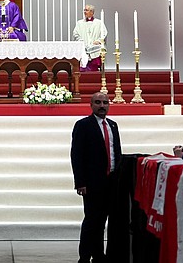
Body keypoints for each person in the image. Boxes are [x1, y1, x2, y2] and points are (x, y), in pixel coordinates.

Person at [71, 92, 121, 263]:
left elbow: (117, 153)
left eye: (105, 103)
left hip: (111, 181)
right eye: (98, 102)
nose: (102, 106)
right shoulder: (83, 125)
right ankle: (84, 257)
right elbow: (77, 155)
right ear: (91, 105)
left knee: (103, 220)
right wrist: (80, 182)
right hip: (92, 182)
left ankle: (99, 255)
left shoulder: (113, 126)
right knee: (92, 220)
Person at [72, 5, 107, 71]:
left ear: (92, 12)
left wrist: (98, 41)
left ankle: (94, 69)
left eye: (86, 10)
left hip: (95, 46)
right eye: (84, 10)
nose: (84, 12)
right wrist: (81, 40)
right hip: (83, 45)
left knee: (99, 49)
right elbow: (75, 34)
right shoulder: (79, 23)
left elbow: (104, 33)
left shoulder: (99, 23)